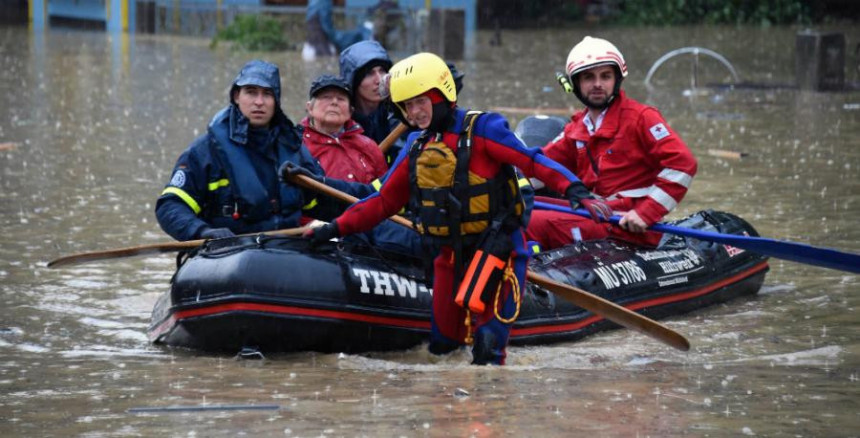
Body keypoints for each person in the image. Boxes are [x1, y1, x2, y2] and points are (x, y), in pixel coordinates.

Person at [302, 53, 609, 365]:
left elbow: (531, 161)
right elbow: (382, 203)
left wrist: (575, 189)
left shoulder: (485, 128)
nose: (414, 112)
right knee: (442, 350)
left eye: (421, 102)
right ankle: (449, 410)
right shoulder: (416, 146)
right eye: (407, 105)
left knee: (488, 348)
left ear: (442, 94)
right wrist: (334, 228)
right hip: (448, 256)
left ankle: (490, 407)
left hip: (496, 253)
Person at [155, 60, 362, 241]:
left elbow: (327, 202)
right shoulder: (205, 151)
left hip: (287, 254)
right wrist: (201, 231)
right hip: (227, 253)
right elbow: (170, 206)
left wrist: (371, 209)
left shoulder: (293, 149)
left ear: (276, 100)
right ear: (237, 96)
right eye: (251, 92)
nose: (259, 102)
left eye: (267, 94)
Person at [525, 36, 698, 250]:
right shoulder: (578, 128)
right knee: (522, 210)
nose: (598, 84)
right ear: (576, 84)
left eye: (605, 76)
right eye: (589, 77)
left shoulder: (642, 118)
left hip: (626, 227)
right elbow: (540, 166)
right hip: (595, 214)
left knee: (528, 223)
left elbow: (683, 164)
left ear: (616, 79)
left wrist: (646, 213)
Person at [301, 74, 388, 184]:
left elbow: (385, 191)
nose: (334, 102)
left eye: (341, 99)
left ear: (350, 112)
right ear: (310, 108)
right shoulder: (295, 145)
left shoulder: (369, 146)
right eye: (326, 97)